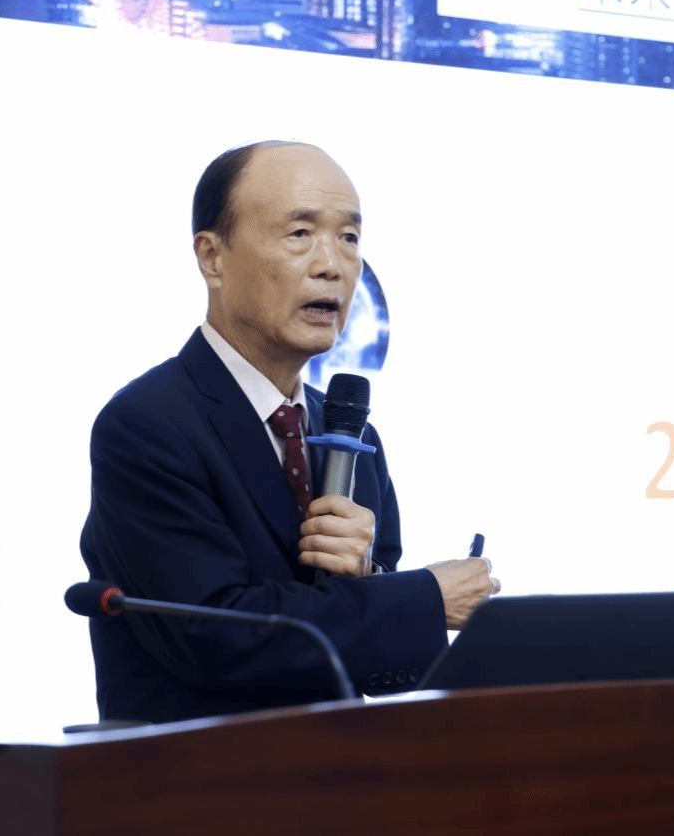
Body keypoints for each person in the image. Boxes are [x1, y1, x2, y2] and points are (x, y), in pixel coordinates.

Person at [78, 141, 499, 724]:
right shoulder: (148, 424)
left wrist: (369, 579)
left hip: (341, 769)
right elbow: (217, 638)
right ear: (212, 257)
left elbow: (379, 673)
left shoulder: (350, 433)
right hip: (198, 772)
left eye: (349, 238)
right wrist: (420, 599)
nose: (333, 265)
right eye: (300, 233)